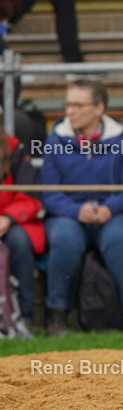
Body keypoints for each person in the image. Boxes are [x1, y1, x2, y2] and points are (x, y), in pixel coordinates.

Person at [42, 79, 123, 336]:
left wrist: (109, 208)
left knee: (118, 238)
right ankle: (57, 315)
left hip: (113, 215)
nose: (70, 111)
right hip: (68, 215)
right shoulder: (55, 141)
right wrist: (76, 211)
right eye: (68, 104)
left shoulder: (120, 140)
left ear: (99, 108)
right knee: (65, 239)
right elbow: (49, 194)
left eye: (78, 105)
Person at [0, 117, 45, 335]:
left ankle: (25, 317)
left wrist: (8, 218)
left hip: (10, 222)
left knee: (19, 241)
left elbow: (30, 196)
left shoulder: (14, 148)